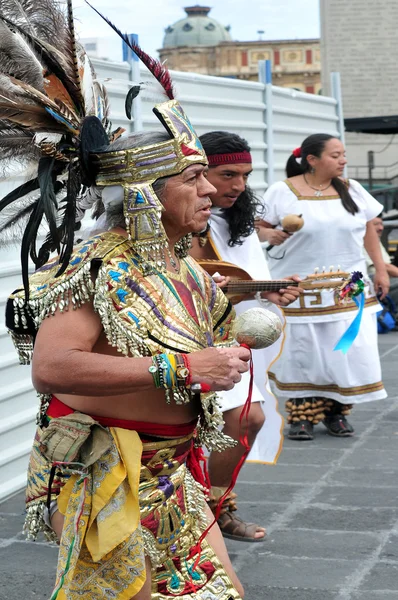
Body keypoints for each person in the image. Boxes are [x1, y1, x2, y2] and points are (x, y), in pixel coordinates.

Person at [0, 4, 261, 598]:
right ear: (145, 195)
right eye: (191, 180)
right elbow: (52, 368)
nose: (208, 192)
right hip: (106, 477)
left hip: (176, 474)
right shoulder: (95, 268)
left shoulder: (182, 263)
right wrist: (185, 366)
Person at [190, 131, 301, 541]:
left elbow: (238, 280)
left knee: (245, 423)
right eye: (227, 174)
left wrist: (265, 291)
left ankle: (213, 507)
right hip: (184, 341)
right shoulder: (173, 215)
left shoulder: (237, 221)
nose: (238, 185)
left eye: (245, 175)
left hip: (232, 339)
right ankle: (201, 511)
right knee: (235, 422)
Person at [258, 133, 389, 441]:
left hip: (348, 290)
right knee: (302, 355)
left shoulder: (352, 189)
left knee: (344, 353)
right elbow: (258, 227)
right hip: (299, 291)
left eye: (343, 154)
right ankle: (301, 415)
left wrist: (380, 270)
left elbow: (369, 228)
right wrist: (269, 236)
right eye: (335, 155)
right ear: (312, 160)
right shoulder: (282, 190)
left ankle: (337, 412)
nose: (343, 160)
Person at [364, 215, 398, 308]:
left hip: (386, 278)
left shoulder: (376, 239)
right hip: (372, 281)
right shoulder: (364, 239)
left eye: (381, 224)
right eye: (376, 224)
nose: (381, 228)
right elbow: (385, 266)